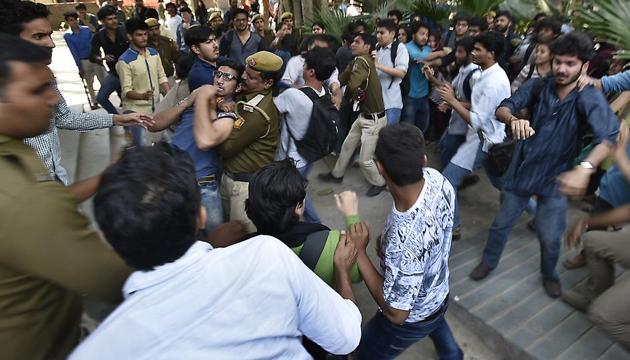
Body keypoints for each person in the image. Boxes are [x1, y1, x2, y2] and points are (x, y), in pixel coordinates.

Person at [68, 143, 361, 359]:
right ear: (201, 215)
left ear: (110, 239)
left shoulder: (99, 351)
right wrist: (343, 273)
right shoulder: (266, 256)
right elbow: (346, 337)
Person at [0, 34, 131, 360]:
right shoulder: (20, 194)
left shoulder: (18, 153)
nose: (51, 99)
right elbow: (109, 279)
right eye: (37, 91)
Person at [469, 32, 620, 298]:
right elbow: (504, 107)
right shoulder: (540, 86)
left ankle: (549, 275)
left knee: (550, 239)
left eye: (570, 63)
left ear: (584, 66)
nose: (562, 68)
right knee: (500, 225)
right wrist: (513, 119)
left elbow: (608, 137)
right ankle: (488, 262)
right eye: (558, 61)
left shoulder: (588, 97)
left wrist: (584, 170)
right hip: (522, 171)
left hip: (556, 179)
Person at [0, 0, 148, 184]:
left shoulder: (45, 75)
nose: (51, 44)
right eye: (39, 37)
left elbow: (64, 118)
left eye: (50, 35)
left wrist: (116, 119)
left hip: (58, 181)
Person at [354, 123, 463, 360]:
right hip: (438, 293)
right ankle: (453, 355)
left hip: (412, 318)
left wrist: (359, 253)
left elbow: (397, 313)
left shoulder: (403, 242)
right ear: (423, 160)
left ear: (380, 168)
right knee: (436, 322)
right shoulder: (437, 179)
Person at [434, 32, 511, 240]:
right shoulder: (484, 73)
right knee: (504, 184)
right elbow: (480, 107)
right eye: (474, 48)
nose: (473, 53)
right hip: (483, 139)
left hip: (483, 141)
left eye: (478, 50)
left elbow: (477, 120)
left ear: (491, 54)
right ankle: (531, 208)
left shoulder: (493, 81)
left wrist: (452, 100)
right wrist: (453, 102)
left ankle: (454, 226)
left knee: (447, 180)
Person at [168, 59, 244, 231]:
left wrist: (203, 98)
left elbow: (205, 141)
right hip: (174, 179)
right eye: (218, 74)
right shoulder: (196, 101)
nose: (220, 80)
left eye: (228, 77)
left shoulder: (229, 112)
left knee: (215, 238)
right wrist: (188, 102)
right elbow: (156, 124)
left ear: (238, 87)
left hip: (203, 185)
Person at [218, 51, 283, 232]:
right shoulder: (248, 95)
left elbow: (226, 147)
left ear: (268, 83)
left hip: (244, 187)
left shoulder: (257, 113)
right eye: (245, 72)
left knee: (243, 239)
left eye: (251, 77)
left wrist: (225, 114)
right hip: (231, 178)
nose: (243, 77)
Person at [274, 47, 337, 224]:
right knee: (298, 189)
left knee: (296, 194)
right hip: (310, 155)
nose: (302, 67)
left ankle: (317, 226)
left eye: (305, 64)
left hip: (292, 159)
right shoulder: (325, 92)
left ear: (311, 71)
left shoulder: (293, 95)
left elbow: (271, 109)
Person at [425, 36, 480, 169]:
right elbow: (449, 87)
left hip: (464, 128)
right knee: (444, 149)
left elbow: (476, 104)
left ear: (470, 54)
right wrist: (431, 78)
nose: (456, 55)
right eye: (456, 51)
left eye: (460, 52)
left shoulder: (475, 76)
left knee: (447, 158)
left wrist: (451, 103)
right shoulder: (463, 70)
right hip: (454, 123)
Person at [117, 18, 170, 146]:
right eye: (139, 35)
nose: (144, 38)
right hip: (136, 112)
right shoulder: (124, 61)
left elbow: (161, 76)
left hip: (156, 109)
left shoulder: (153, 53)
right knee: (142, 147)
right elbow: (126, 91)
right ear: (130, 36)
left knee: (166, 143)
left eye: (145, 34)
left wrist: (169, 93)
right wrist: (142, 96)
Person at [63, 11, 106, 109]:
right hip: (83, 61)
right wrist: (79, 66)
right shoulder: (68, 36)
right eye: (70, 20)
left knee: (103, 80)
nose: (73, 22)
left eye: (75, 19)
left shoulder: (87, 30)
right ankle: (94, 102)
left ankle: (104, 98)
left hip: (94, 58)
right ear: (67, 22)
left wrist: (99, 56)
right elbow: (73, 52)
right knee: (89, 83)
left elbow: (95, 44)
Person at [92, 5, 129, 115]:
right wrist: (102, 57)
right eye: (110, 19)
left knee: (129, 101)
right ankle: (118, 118)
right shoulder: (99, 36)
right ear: (103, 21)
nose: (114, 21)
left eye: (114, 18)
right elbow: (92, 54)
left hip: (131, 72)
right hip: (114, 73)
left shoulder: (125, 31)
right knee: (101, 98)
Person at [375, 19, 409, 125]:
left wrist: (378, 66)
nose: (378, 36)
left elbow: (401, 72)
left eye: (382, 33)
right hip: (376, 103)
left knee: (389, 137)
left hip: (392, 103)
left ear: (392, 34)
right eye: (377, 32)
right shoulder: (377, 48)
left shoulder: (399, 48)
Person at [403, 22, 432, 132]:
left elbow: (430, 62)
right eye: (421, 34)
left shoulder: (428, 49)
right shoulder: (406, 47)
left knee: (423, 126)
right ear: (414, 34)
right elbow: (418, 57)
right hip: (410, 95)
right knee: (408, 128)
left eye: (426, 34)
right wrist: (442, 53)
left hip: (424, 94)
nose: (424, 37)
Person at [185, 25, 220, 92]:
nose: (216, 45)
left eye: (215, 40)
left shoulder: (221, 61)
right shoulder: (200, 75)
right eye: (209, 42)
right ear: (196, 49)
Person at [146, 18, 179, 86]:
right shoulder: (144, 45)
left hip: (168, 78)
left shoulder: (167, 42)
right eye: (151, 30)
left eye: (156, 29)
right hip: (151, 81)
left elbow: (177, 58)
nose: (155, 32)